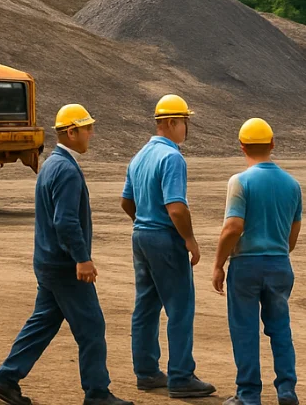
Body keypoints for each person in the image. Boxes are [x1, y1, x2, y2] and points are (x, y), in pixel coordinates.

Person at [0, 104, 134, 405]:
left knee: (43, 322)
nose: (91, 133)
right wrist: (82, 258)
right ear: (72, 132)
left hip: (48, 261)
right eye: (87, 128)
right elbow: (65, 221)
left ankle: (4, 379)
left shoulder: (52, 164)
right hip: (64, 265)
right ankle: (97, 393)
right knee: (92, 326)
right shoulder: (66, 170)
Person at [120, 94, 216, 399]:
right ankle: (181, 376)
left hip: (142, 236)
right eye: (185, 122)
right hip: (164, 238)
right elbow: (176, 207)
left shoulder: (139, 156)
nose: (187, 128)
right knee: (180, 307)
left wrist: (145, 221)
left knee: (146, 306)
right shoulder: (172, 157)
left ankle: (147, 372)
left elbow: (126, 201)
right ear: (172, 123)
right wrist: (189, 239)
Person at [212, 118, 302, 405]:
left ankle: (249, 394)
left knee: (245, 330)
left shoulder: (240, 182)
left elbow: (233, 227)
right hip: (279, 264)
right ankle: (286, 389)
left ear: (242, 147)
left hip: (246, 267)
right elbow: (293, 233)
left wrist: (219, 264)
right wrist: (278, 253)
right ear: (272, 144)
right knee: (280, 329)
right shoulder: (292, 184)